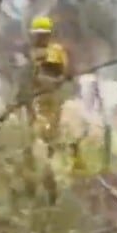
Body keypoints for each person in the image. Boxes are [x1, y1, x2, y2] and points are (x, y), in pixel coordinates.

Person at [27, 16, 70, 149]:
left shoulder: (56, 50)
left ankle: (51, 149)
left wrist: (57, 81)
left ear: (49, 34)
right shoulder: (29, 52)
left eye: (43, 34)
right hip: (36, 94)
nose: (40, 37)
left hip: (53, 93)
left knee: (53, 124)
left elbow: (64, 72)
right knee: (36, 124)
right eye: (38, 34)